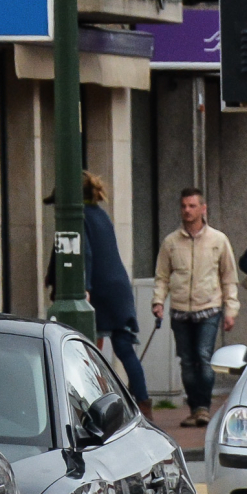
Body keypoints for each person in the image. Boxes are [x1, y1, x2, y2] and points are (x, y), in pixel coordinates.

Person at [153, 186, 240, 430]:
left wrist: (230, 310)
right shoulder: (171, 242)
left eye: (192, 206)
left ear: (203, 209)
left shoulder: (218, 240)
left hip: (209, 308)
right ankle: (194, 409)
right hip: (180, 310)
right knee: (187, 361)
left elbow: (228, 277)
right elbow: (162, 276)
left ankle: (203, 407)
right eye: (184, 206)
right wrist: (158, 302)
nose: (187, 211)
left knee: (204, 356)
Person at [81, 174, 147, 413]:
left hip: (99, 290)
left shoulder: (80, 216)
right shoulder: (101, 215)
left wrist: (86, 287)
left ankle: (95, 397)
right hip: (119, 288)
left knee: (87, 348)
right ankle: (143, 403)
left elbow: (85, 253)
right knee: (124, 349)